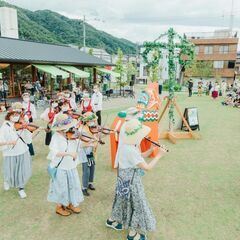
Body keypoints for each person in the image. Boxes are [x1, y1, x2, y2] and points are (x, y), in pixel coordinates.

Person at [106, 119, 167, 240]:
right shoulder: (131, 150)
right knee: (137, 205)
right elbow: (147, 167)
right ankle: (132, 234)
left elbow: (138, 157)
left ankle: (111, 220)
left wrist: (151, 149)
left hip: (123, 180)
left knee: (121, 201)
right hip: (132, 183)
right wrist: (159, 155)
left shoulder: (126, 145)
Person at [47, 113, 84, 216]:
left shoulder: (71, 135)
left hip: (71, 166)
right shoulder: (56, 137)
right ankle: (59, 207)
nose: (70, 129)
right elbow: (55, 152)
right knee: (61, 187)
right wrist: (69, 153)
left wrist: (88, 140)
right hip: (61, 168)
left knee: (73, 185)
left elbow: (80, 144)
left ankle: (71, 203)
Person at [0, 108, 32, 198]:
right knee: (10, 169)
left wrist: (25, 129)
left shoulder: (21, 123)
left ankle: (21, 188)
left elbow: (28, 140)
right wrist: (9, 142)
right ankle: (7, 180)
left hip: (22, 150)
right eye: (13, 115)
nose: (15, 117)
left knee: (22, 170)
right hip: (11, 153)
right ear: (9, 116)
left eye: (17, 115)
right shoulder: (5, 126)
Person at [78, 112, 100, 196]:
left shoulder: (92, 128)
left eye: (93, 120)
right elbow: (80, 144)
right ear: (86, 121)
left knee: (92, 167)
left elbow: (95, 137)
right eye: (91, 120)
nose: (93, 122)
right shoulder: (81, 130)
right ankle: (84, 187)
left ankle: (90, 183)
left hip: (90, 152)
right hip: (84, 152)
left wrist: (96, 138)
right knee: (86, 170)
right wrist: (91, 143)